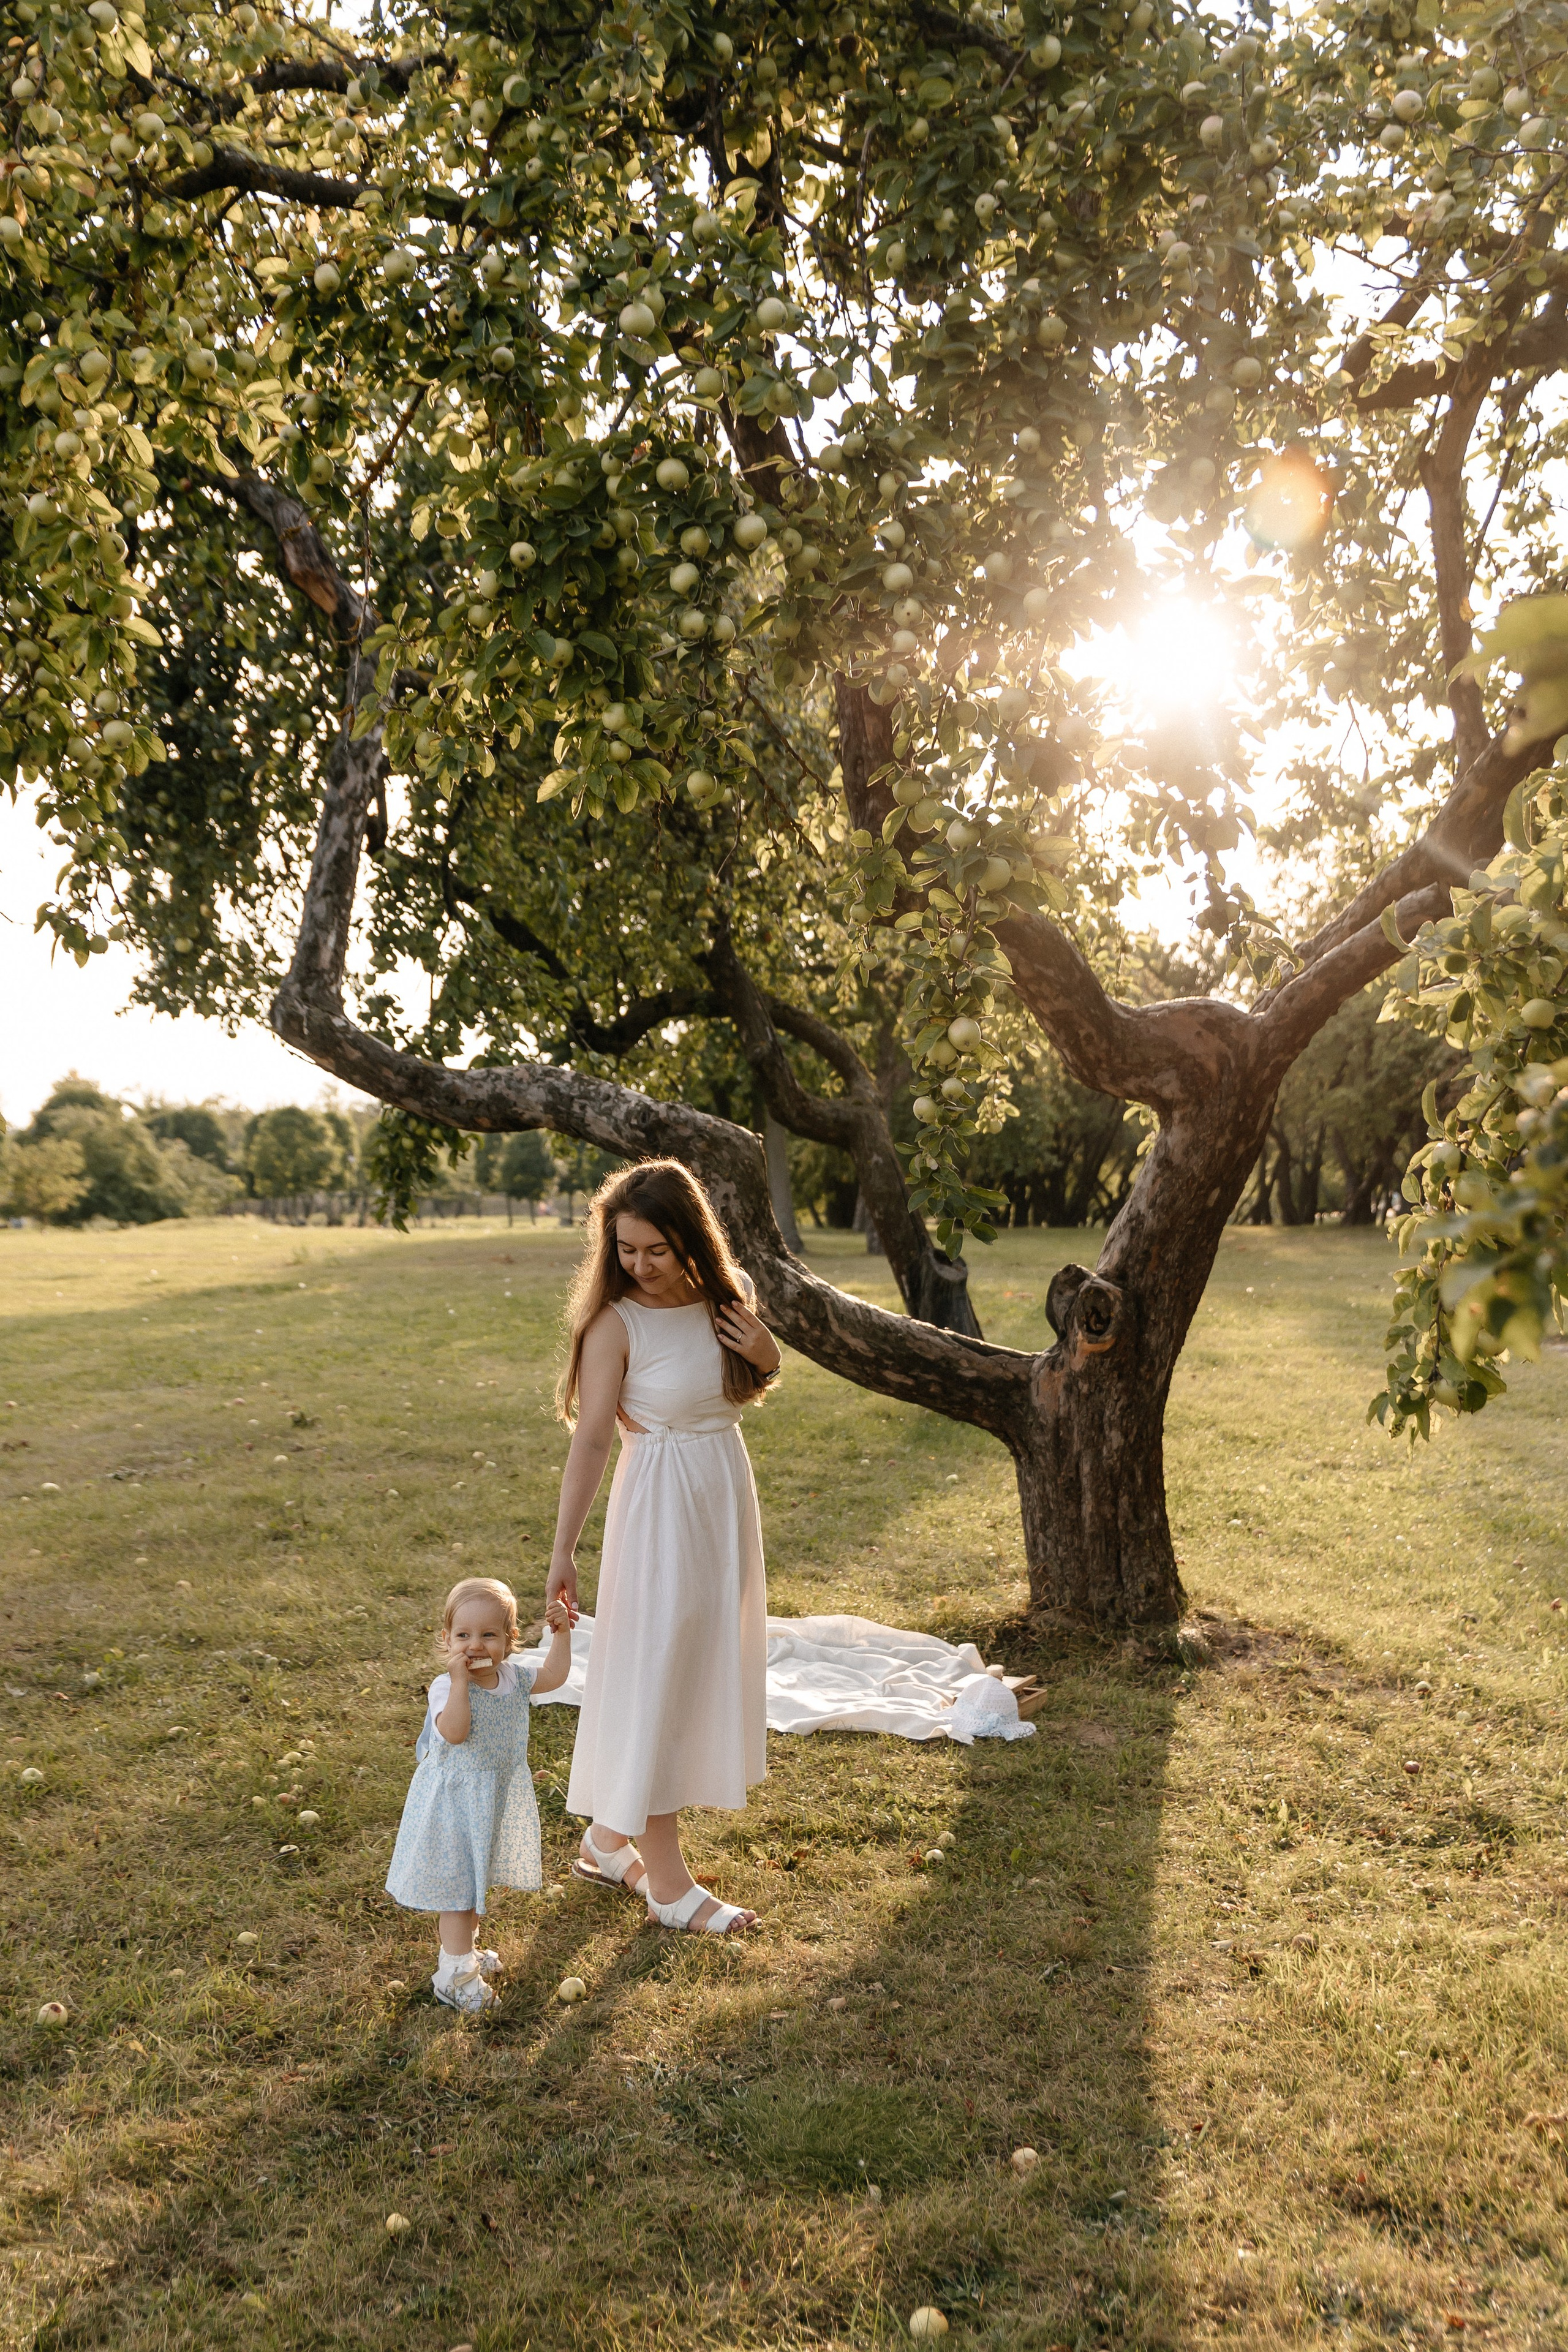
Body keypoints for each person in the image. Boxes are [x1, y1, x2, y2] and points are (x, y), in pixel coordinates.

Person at [548, 1158, 782, 1936]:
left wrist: (766, 1349)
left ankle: (606, 1843)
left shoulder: (730, 1298)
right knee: (657, 1672)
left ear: (690, 1238)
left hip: (720, 1494)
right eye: (625, 1250)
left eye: (654, 1249)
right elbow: (589, 1443)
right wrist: (563, 1551)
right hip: (657, 1506)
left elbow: (747, 1388)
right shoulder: (616, 1325)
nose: (639, 1266)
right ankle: (669, 1887)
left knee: (694, 1662)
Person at [385, 1575, 575, 2011]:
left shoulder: (513, 1679)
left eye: (489, 1635)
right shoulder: (444, 1689)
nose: (475, 1645)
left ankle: (464, 1955)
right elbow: (454, 1733)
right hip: (454, 1806)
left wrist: (561, 1634)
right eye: (463, 1635)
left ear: (509, 1641)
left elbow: (555, 1674)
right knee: (458, 1892)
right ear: (447, 1640)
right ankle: (452, 1975)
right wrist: (458, 1685)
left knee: (474, 1883)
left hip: (491, 1801)